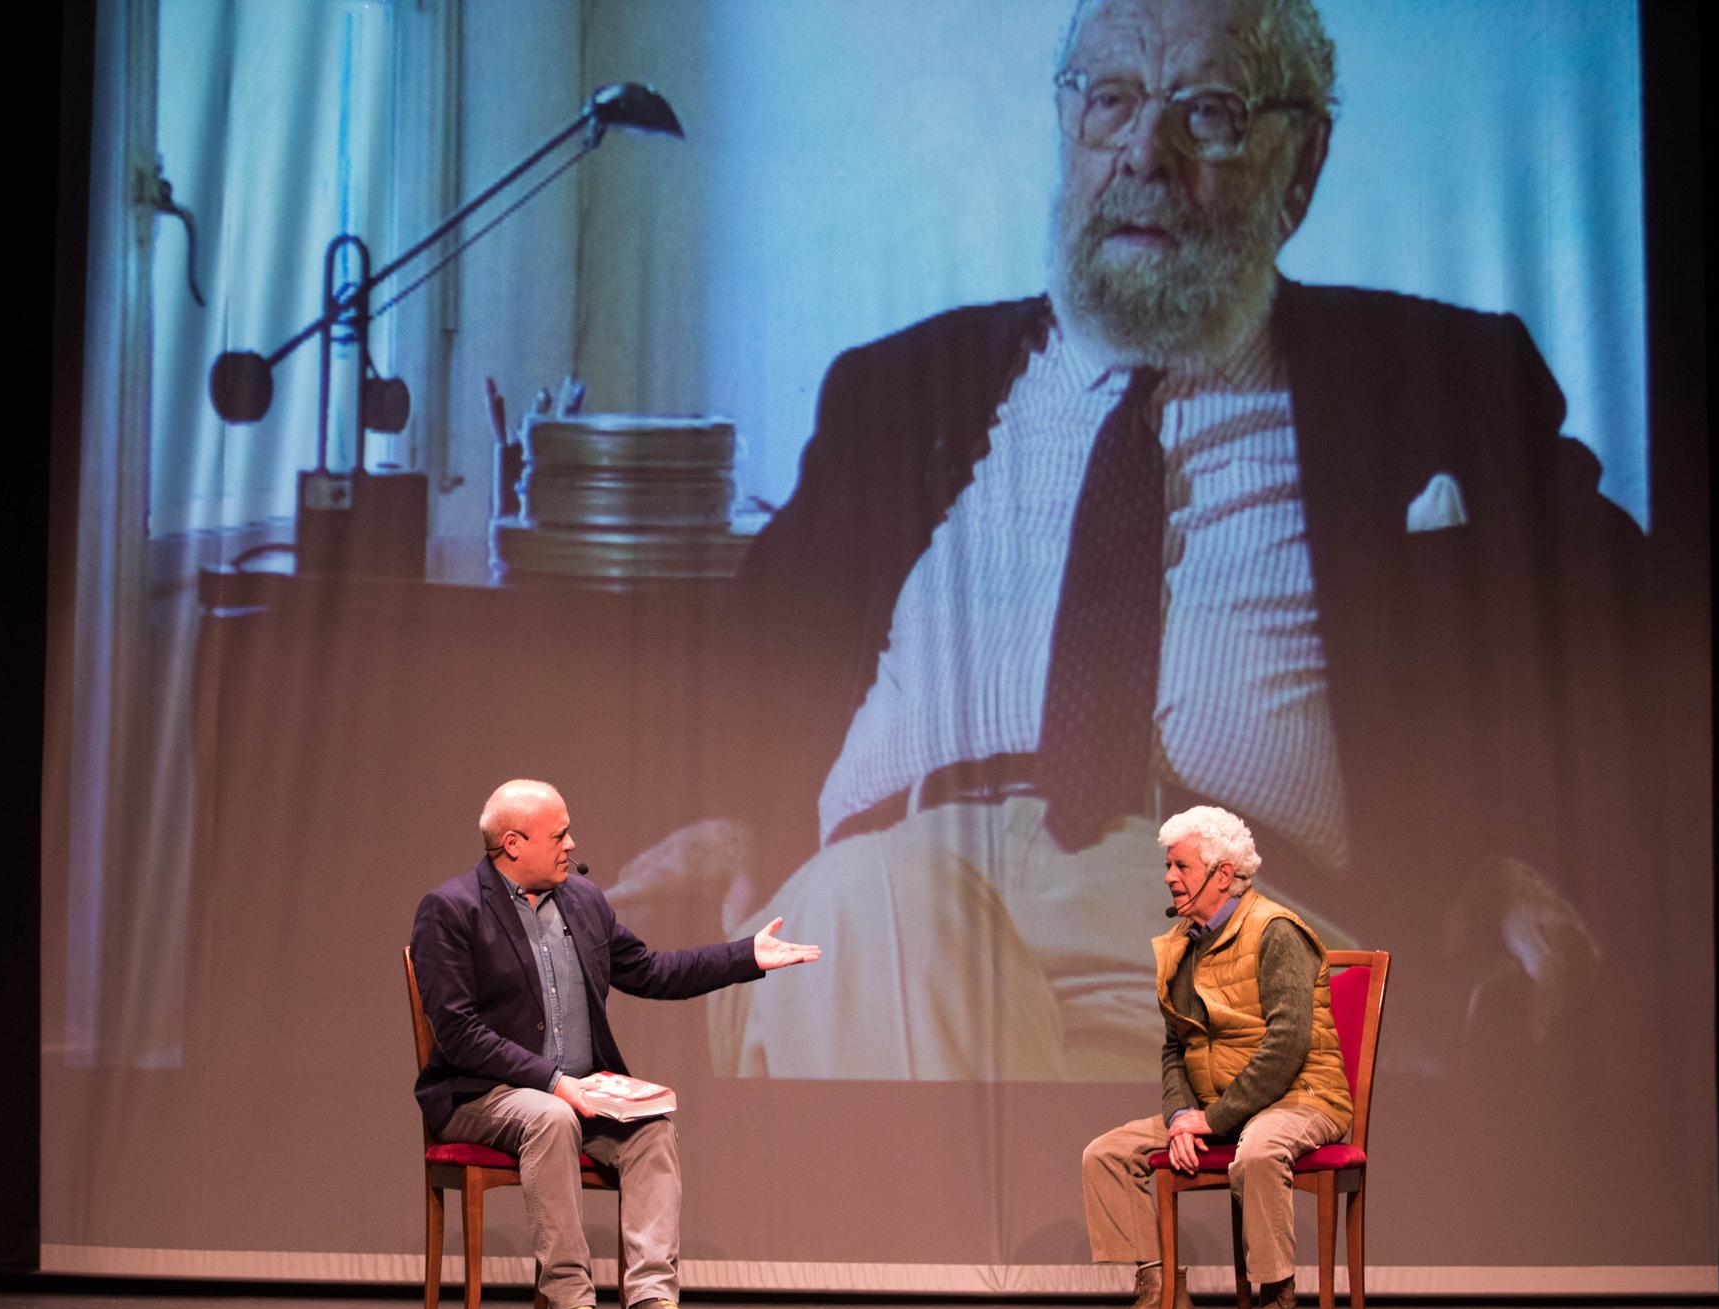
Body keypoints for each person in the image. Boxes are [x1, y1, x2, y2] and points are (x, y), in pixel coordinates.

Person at [617, 0, 1649, 1083]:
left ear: (1300, 163)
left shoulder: (1438, 382)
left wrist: (1525, 852)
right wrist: (721, 815)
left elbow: (1633, 634)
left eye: (1204, 112)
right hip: (884, 900)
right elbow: (749, 656)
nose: (1141, 154)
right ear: (1067, 127)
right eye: (1108, 100)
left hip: (1238, 931)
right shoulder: (896, 387)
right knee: (879, 905)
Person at [410, 779, 818, 1309]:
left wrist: (745, 955)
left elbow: (652, 971)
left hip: (580, 1091)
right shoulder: (452, 910)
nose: (571, 844)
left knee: (652, 1129)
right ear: (512, 842)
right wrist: (553, 1083)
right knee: (549, 1117)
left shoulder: (583, 901)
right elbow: (457, 1033)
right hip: (481, 1094)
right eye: (558, 834)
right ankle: (571, 1304)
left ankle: (651, 1301)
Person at [1081, 805, 1350, 1309]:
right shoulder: (1182, 947)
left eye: (1179, 865)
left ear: (1222, 874)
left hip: (1302, 1098)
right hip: (1214, 1107)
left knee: (1257, 1151)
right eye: (1168, 865)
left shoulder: (1277, 931)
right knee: (1106, 1155)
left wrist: (1212, 1121)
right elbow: (1174, 1048)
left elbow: (1286, 1047)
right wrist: (1183, 1117)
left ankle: (1276, 1296)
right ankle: (1163, 1295)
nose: (1168, 877)